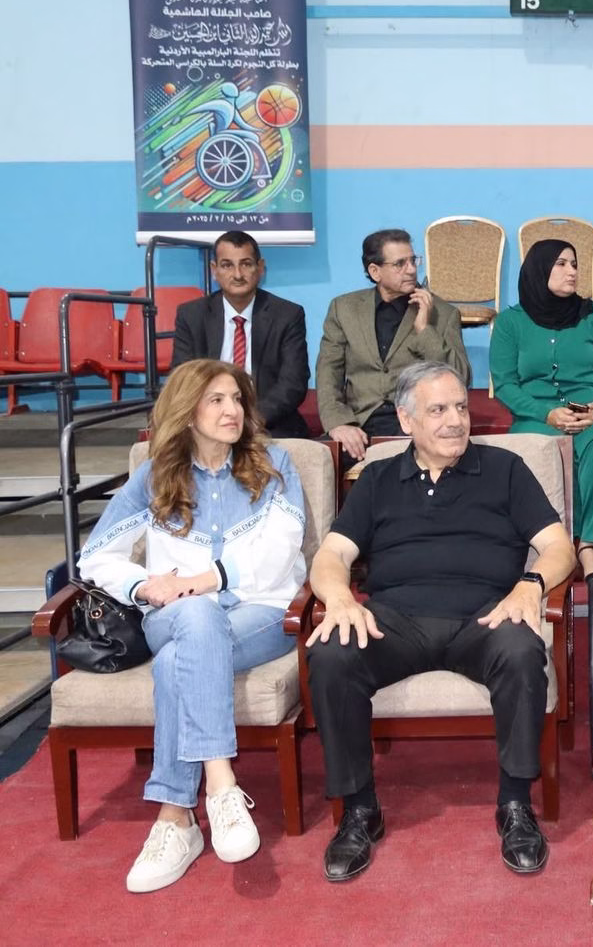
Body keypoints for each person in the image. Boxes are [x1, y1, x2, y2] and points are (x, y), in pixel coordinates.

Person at [305, 361, 575, 880]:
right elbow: (332, 556)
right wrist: (339, 599)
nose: (455, 420)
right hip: (395, 620)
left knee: (522, 649)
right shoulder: (378, 477)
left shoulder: (505, 469)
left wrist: (530, 585)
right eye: (438, 410)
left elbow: (558, 547)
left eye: (461, 408)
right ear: (406, 420)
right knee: (332, 652)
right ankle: (359, 809)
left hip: (484, 615)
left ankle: (515, 804)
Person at [78, 358, 306, 893]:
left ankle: (175, 817)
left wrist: (203, 580)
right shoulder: (155, 476)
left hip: (261, 611)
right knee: (196, 617)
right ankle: (221, 785)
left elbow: (281, 553)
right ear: (186, 412)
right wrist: (144, 586)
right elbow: (96, 558)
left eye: (237, 399)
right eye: (216, 400)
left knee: (180, 658)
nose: (232, 411)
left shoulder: (275, 462)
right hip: (174, 615)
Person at [490, 239, 593, 581]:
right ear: (539, 270)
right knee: (532, 449)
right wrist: (547, 414)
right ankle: (554, 543)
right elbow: (506, 385)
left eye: (575, 264)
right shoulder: (510, 323)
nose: (572, 272)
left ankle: (592, 543)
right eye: (562, 264)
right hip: (537, 415)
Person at [316, 228, 470, 461]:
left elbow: (460, 377)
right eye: (400, 264)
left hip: (414, 424)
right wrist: (339, 423)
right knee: (313, 459)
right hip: (359, 421)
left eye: (413, 261)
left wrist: (424, 330)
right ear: (375, 271)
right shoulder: (344, 309)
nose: (411, 269)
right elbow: (328, 372)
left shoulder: (442, 313)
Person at [171, 230, 310, 437]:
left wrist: (251, 420)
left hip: (268, 422)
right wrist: (217, 419)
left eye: (246, 264)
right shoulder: (192, 315)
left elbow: (293, 383)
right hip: (209, 421)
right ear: (214, 270)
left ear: (260, 268)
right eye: (227, 265)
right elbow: (183, 379)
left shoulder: (287, 315)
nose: (237, 274)